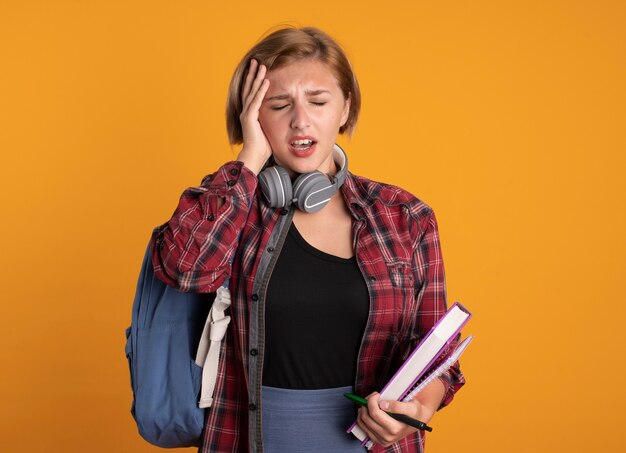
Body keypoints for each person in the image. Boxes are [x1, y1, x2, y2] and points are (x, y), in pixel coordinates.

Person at [150, 26, 465, 453]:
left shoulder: (404, 217)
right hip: (247, 440)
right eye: (278, 105)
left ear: (345, 108)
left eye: (318, 101)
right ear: (253, 117)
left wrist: (416, 412)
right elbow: (184, 268)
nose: (301, 120)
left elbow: (438, 352)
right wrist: (250, 159)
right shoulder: (230, 202)